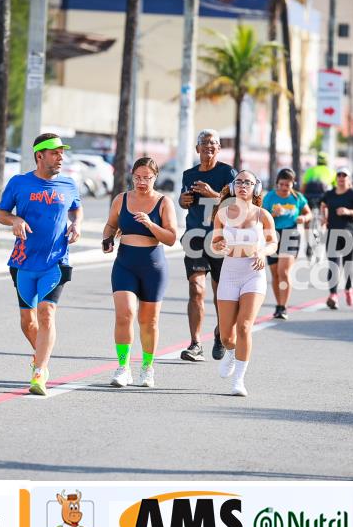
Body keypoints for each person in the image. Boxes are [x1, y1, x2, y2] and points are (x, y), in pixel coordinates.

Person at [0, 133, 82, 396]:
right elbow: (1, 213)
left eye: (62, 153)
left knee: (46, 312)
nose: (60, 157)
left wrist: (76, 224)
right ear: (40, 155)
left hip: (55, 261)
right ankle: (41, 357)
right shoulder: (19, 183)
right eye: (55, 153)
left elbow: (76, 208)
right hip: (23, 261)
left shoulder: (69, 184)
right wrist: (15, 220)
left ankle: (39, 372)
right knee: (27, 321)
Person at [102, 157, 178, 388]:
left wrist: (150, 224)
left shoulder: (164, 202)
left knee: (149, 321)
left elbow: (171, 238)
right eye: (137, 177)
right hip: (125, 263)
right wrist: (107, 238)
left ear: (155, 177)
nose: (142, 182)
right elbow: (111, 224)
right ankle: (123, 367)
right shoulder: (121, 199)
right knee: (124, 314)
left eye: (147, 177)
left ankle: (147, 367)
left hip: (152, 266)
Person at [211, 170, 278, 396]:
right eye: (239, 182)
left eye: (248, 183)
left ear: (256, 188)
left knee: (244, 326)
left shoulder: (263, 215)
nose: (243, 186)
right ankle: (231, 352)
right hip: (229, 273)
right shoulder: (222, 214)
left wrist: (262, 252)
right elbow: (215, 242)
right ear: (232, 186)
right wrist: (218, 246)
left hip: (253, 274)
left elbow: (273, 243)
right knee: (226, 336)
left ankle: (239, 380)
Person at [178, 129, 237, 362]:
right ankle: (195, 344)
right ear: (197, 149)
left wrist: (212, 194)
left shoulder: (228, 172)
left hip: (221, 240)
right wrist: (183, 201)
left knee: (221, 295)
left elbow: (236, 207)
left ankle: (220, 333)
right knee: (196, 288)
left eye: (213, 143)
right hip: (194, 239)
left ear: (219, 148)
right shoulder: (188, 174)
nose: (208, 146)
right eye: (204, 143)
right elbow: (184, 200)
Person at [262, 168, 312, 319]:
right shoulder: (270, 197)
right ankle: (279, 305)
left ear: (293, 184)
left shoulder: (297, 198)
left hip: (291, 234)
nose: (284, 188)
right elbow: (260, 218)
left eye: (287, 185)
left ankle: (283, 307)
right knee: (275, 274)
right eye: (282, 184)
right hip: (272, 235)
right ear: (277, 183)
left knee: (283, 271)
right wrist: (273, 214)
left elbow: (308, 213)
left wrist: (304, 218)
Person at [320, 167, 353, 309]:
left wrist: (349, 211)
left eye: (344, 175)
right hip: (332, 232)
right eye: (339, 175)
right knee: (333, 264)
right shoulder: (329, 194)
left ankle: (348, 289)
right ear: (336, 178)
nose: (341, 177)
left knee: (348, 264)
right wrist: (324, 217)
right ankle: (333, 295)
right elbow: (323, 204)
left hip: (349, 233)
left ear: (349, 179)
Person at [302, 152, 336, 259]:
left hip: (309, 197)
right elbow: (335, 189)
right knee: (325, 217)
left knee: (307, 218)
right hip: (322, 198)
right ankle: (323, 227)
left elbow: (303, 187)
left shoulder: (310, 170)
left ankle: (307, 242)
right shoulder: (331, 171)